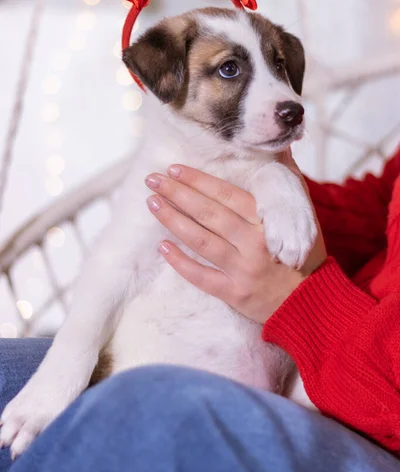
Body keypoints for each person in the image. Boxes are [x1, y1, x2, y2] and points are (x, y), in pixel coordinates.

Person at [0, 146, 399, 472]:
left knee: (146, 401)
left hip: (367, 402)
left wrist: (301, 303)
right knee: (6, 372)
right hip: (326, 347)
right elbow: (379, 207)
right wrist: (254, 186)